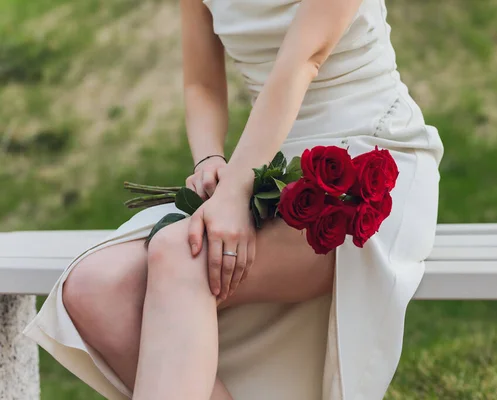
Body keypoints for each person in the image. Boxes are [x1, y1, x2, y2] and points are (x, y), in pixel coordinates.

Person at [23, 0, 444, 399]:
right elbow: (201, 83)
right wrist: (210, 159)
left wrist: (236, 188)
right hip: (269, 161)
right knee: (95, 289)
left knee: (181, 255)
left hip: (367, 158)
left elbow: (305, 58)